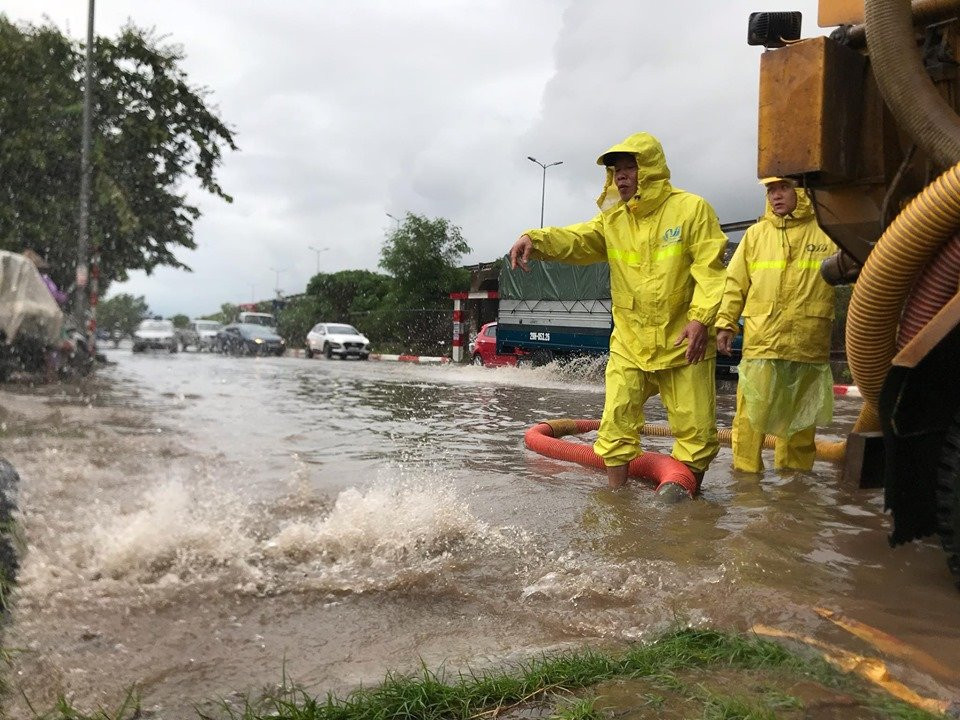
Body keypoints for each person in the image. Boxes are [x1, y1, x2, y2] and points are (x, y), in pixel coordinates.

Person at [509, 132, 727, 492]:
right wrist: (536, 239)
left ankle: (688, 503)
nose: (621, 176)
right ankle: (616, 503)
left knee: (697, 433)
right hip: (630, 341)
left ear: (652, 169)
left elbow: (711, 270)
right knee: (615, 426)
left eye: (630, 168)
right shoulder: (614, 220)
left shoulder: (691, 210)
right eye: (615, 171)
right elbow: (577, 239)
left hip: (682, 339)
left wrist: (701, 319)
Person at [715, 177, 837, 473]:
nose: (775, 196)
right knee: (749, 421)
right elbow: (735, 283)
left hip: (808, 344)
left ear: (801, 191)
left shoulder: (828, 233)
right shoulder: (756, 234)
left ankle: (793, 488)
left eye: (783, 188)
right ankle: (745, 485)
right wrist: (726, 323)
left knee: (801, 424)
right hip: (762, 343)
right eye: (770, 190)